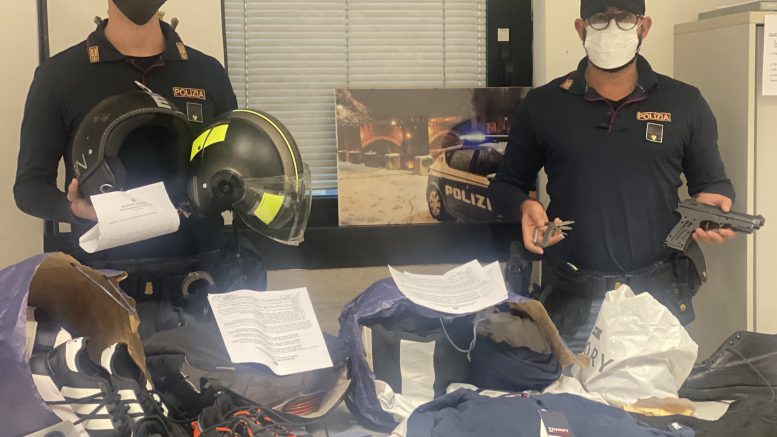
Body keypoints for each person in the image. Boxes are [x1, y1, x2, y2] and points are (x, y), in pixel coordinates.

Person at [488, 0, 736, 352]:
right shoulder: (543, 105)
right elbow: (505, 186)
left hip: (657, 300)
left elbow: (713, 183)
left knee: (659, 390)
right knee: (570, 389)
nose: (612, 27)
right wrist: (523, 205)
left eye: (625, 18)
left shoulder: (685, 103)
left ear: (644, 27)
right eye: (600, 18)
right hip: (572, 299)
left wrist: (714, 205)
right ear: (581, 29)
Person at [14, 0, 237, 262]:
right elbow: (29, 187)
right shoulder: (59, 75)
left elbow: (234, 168)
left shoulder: (208, 73)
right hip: (103, 273)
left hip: (202, 267)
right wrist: (73, 209)